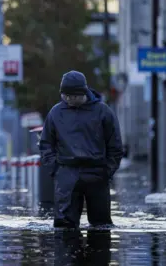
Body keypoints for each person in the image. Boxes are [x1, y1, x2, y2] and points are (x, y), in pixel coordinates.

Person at [39, 70, 123, 229]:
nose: (69, 99)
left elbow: (115, 145)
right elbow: (46, 144)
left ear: (84, 92)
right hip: (66, 173)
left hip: (96, 173)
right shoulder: (56, 113)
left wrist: (107, 171)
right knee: (64, 227)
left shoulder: (103, 112)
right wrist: (56, 170)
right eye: (66, 96)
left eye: (74, 96)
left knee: (101, 225)